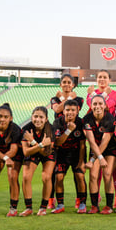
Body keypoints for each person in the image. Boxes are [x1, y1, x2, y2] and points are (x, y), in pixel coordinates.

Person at [50, 73, 85, 209]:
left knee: (79, 176)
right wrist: (69, 97)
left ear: (73, 85)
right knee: (57, 177)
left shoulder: (80, 116)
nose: (66, 85)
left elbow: (83, 145)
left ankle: (81, 202)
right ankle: (59, 204)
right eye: (63, 82)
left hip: (76, 151)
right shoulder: (56, 116)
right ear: (60, 84)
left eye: (68, 82)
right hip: (61, 151)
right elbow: (58, 109)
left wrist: (82, 162)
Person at [86, 70, 116, 207]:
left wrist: (94, 94)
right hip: (96, 135)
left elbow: (108, 104)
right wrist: (94, 95)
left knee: (112, 171)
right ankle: (97, 198)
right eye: (99, 77)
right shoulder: (92, 95)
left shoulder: (115, 93)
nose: (102, 79)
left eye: (104, 77)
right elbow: (91, 104)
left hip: (110, 135)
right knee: (95, 174)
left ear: (109, 80)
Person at [83, 95, 116, 214]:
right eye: (95, 104)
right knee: (93, 175)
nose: (97, 107)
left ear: (104, 105)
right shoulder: (87, 119)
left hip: (110, 148)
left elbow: (105, 141)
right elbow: (91, 141)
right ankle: (94, 206)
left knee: (107, 174)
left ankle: (109, 206)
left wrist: (94, 159)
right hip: (96, 148)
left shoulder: (110, 119)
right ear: (91, 106)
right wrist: (98, 158)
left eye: (100, 104)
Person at [20, 106, 55, 216]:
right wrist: (40, 144)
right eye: (35, 116)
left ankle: (43, 207)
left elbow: (46, 153)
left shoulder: (51, 129)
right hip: (33, 151)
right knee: (26, 177)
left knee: (46, 177)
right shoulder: (26, 129)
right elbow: (26, 152)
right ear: (31, 117)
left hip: (47, 152)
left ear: (46, 119)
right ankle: (28, 208)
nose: (38, 119)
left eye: (41, 117)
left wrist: (33, 142)